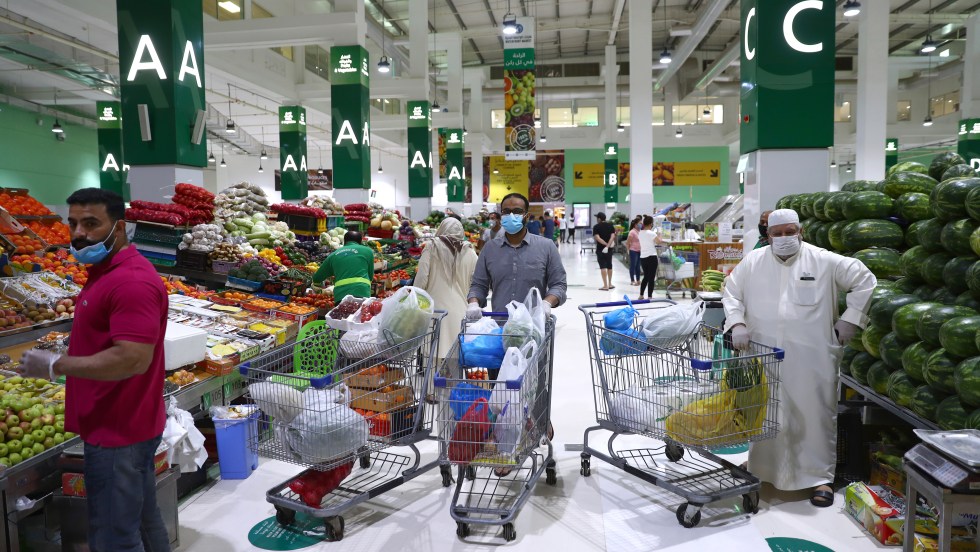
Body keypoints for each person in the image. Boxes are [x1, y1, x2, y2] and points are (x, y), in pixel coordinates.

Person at [16, 188, 171, 552]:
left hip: (119, 430)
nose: (78, 233)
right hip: (127, 421)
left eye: (90, 223)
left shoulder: (130, 280)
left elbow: (133, 358)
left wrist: (56, 363)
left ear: (119, 228)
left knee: (114, 537)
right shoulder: (104, 271)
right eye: (72, 223)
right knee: (145, 523)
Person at [722, 208, 876, 508]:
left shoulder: (823, 259)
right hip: (763, 354)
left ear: (800, 232)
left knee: (814, 412)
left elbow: (865, 280)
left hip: (813, 354)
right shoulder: (753, 261)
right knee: (764, 411)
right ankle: (760, 468)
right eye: (777, 234)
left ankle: (819, 478)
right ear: (767, 236)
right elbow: (731, 292)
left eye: (789, 232)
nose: (783, 238)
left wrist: (850, 319)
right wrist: (736, 322)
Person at [467, 193, 566, 314]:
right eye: (506, 212)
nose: (511, 215)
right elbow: (478, 285)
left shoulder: (547, 247)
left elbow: (558, 284)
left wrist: (546, 303)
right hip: (500, 324)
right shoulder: (490, 249)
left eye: (517, 211)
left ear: (527, 216)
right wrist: (473, 303)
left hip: (534, 326)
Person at [414, 218, 478, 360]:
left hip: (436, 313)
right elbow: (476, 284)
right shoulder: (471, 252)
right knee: (456, 361)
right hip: (461, 312)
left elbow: (422, 278)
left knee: (433, 361)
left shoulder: (431, 247)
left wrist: (414, 302)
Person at [312, 231, 375, 300]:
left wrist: (319, 287)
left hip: (341, 295)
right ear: (360, 242)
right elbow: (370, 276)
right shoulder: (368, 251)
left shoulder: (333, 255)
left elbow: (317, 278)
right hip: (362, 292)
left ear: (344, 242)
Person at [638, 215, 664, 300]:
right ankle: (649, 296)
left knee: (646, 276)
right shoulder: (651, 233)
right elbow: (659, 242)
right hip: (652, 257)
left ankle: (641, 295)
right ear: (650, 224)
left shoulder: (640, 233)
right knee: (651, 277)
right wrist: (659, 233)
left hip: (643, 257)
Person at [592, 212, 617, 291]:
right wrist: (608, 246)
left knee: (603, 266)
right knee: (609, 266)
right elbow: (613, 236)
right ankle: (610, 284)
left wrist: (605, 245)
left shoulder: (596, 227)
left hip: (600, 249)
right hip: (609, 249)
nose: (596, 219)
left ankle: (605, 285)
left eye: (597, 218)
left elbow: (597, 238)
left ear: (599, 219)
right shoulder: (610, 226)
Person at [625, 218, 643, 286]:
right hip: (633, 251)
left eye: (641, 223)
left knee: (638, 266)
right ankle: (632, 280)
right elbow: (627, 243)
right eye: (640, 223)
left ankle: (638, 280)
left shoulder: (640, 231)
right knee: (633, 265)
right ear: (635, 224)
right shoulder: (632, 232)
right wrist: (628, 251)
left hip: (639, 251)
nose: (641, 225)